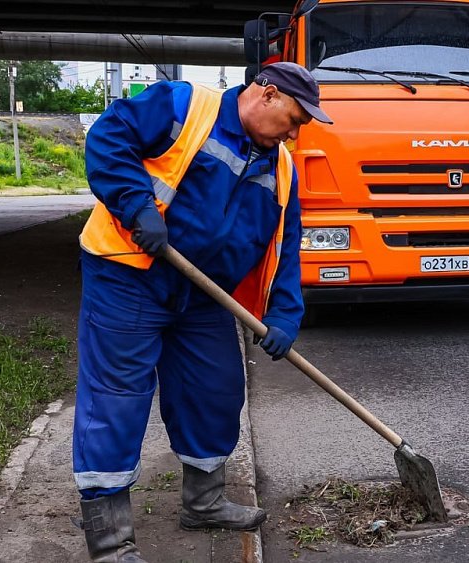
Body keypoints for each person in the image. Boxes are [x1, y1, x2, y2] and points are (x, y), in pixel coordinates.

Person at [73, 62, 331, 562]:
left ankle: (204, 501)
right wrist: (137, 205)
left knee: (213, 389)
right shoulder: (184, 106)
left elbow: (286, 245)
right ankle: (110, 543)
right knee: (117, 397)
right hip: (130, 274)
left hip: (206, 291)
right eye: (296, 119)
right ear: (267, 94)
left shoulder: (280, 166)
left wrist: (284, 316)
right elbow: (109, 136)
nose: (297, 134)